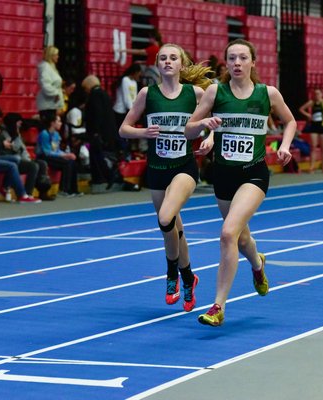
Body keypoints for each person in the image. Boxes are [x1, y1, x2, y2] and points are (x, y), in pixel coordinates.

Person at [185, 39, 296, 326]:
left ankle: (218, 306)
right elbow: (187, 131)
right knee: (241, 238)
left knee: (227, 234)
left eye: (242, 58)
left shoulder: (267, 93)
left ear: (252, 62)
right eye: (231, 58)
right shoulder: (214, 92)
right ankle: (258, 264)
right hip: (223, 175)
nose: (236, 63)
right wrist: (203, 127)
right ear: (226, 64)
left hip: (253, 174)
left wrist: (284, 146)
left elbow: (291, 121)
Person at [120, 43, 212, 312]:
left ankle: (171, 273)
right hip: (157, 170)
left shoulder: (194, 93)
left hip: (184, 168)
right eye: (163, 58)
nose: (168, 62)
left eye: (173, 58)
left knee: (165, 217)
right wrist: (142, 133)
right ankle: (188, 277)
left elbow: (219, 119)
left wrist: (211, 139)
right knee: (172, 231)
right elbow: (124, 129)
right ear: (158, 64)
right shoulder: (147, 94)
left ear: (182, 64)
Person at [0, 113, 55, 200]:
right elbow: (14, 147)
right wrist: (17, 136)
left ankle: (43, 192)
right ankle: (27, 193)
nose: (20, 124)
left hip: (23, 158)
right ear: (14, 123)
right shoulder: (4, 133)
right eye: (18, 122)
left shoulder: (16, 132)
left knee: (42, 163)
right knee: (33, 166)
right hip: (14, 159)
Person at [81, 74, 120, 187]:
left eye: (85, 88)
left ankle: (100, 178)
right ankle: (106, 176)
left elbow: (97, 114)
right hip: (108, 131)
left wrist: (95, 131)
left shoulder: (95, 95)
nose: (86, 91)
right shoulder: (105, 94)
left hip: (98, 132)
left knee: (96, 155)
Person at [35, 114, 80, 197]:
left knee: (72, 162)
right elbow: (47, 152)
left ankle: (73, 189)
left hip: (53, 156)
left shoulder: (56, 134)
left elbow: (57, 150)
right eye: (58, 121)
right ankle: (63, 189)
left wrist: (66, 154)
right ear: (52, 123)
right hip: (44, 157)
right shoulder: (44, 134)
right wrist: (64, 156)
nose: (61, 123)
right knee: (67, 163)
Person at [299, 89, 323, 173]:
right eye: (315, 94)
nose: (316, 95)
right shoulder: (311, 102)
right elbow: (301, 109)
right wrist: (308, 115)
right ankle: (312, 167)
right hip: (314, 126)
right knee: (313, 147)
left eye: (318, 94)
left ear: (322, 94)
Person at [36, 46, 64, 123]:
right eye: (56, 54)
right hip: (47, 105)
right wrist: (56, 93)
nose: (58, 57)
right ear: (51, 55)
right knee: (48, 126)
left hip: (51, 105)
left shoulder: (51, 67)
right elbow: (45, 85)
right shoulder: (45, 67)